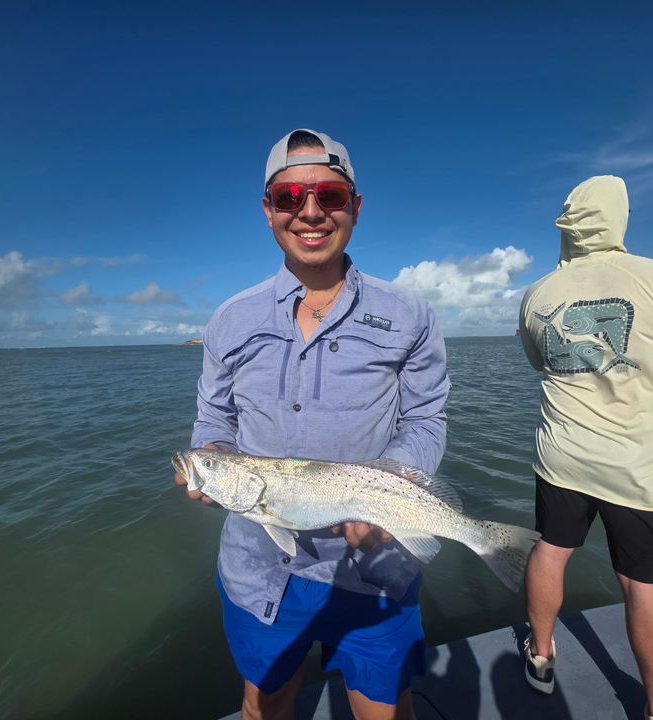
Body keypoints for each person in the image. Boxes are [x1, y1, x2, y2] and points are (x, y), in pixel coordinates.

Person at [175, 129, 449, 720]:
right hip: (258, 568)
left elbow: (426, 417)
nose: (310, 211)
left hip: (376, 569)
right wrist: (212, 461)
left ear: (354, 206)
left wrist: (387, 496)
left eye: (328, 194)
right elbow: (213, 418)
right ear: (268, 209)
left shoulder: (410, 315)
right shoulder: (229, 319)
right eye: (289, 196)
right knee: (263, 705)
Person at [518, 175, 653, 720]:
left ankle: (540, 657)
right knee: (643, 587)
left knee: (550, 549)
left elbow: (539, 361)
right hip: (635, 470)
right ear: (620, 218)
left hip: (560, 459)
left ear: (568, 224)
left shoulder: (537, 294)